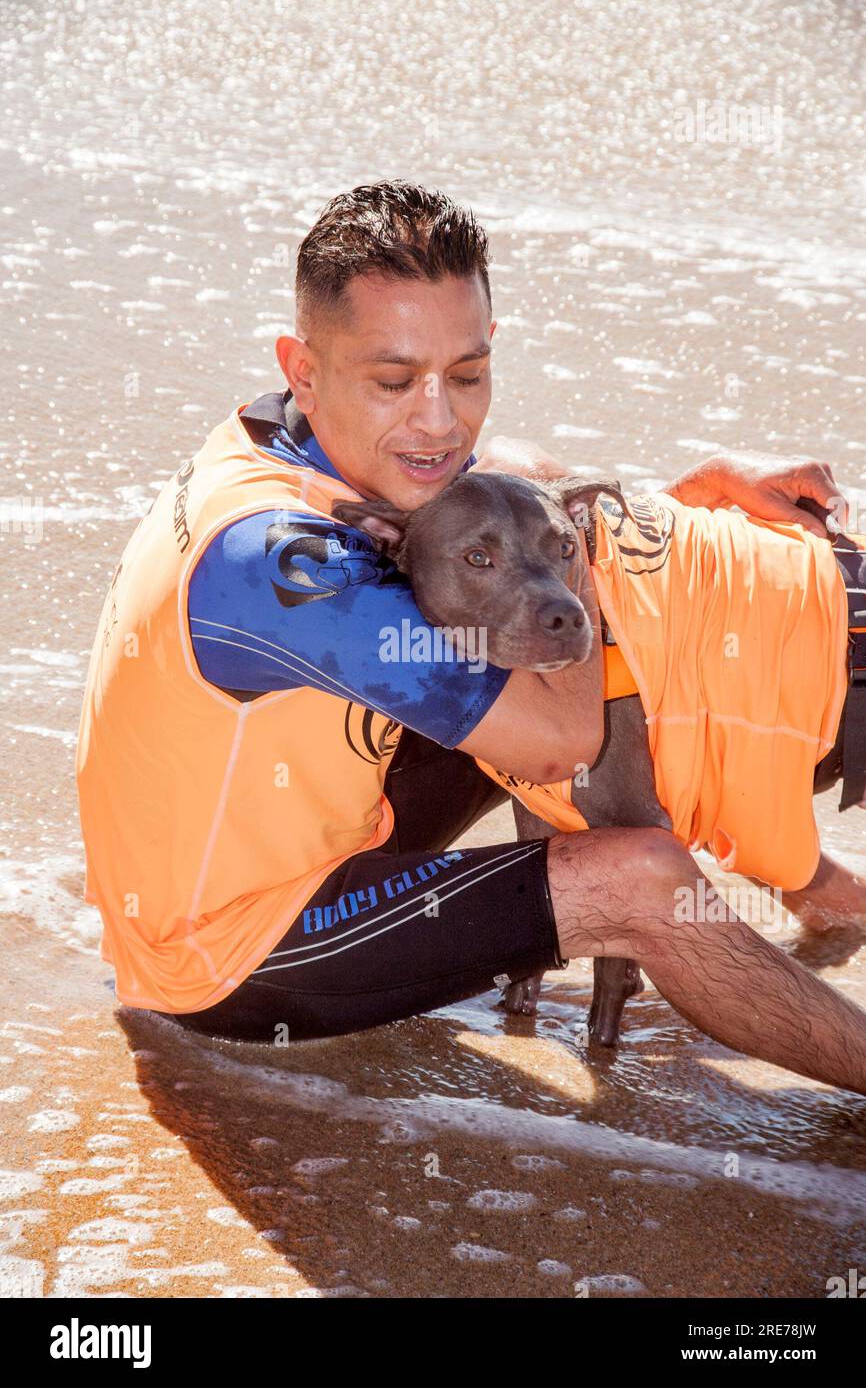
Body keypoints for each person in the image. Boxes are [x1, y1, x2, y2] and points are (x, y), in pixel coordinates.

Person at [75, 180, 866, 1095]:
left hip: (308, 823)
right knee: (638, 864)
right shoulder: (283, 567)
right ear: (303, 364)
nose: (439, 419)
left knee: (512, 618)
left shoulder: (281, 434)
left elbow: (510, 478)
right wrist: (581, 559)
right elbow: (563, 735)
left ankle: (813, 877)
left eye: (468, 373)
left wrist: (683, 493)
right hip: (231, 955)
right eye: (394, 379)